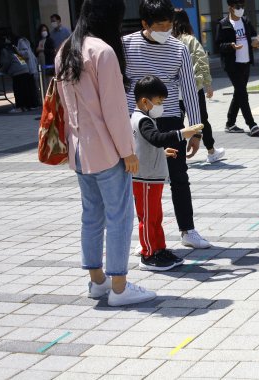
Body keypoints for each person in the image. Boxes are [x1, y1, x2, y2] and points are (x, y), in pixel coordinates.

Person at [55, 0, 156, 306]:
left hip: (79, 152)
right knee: (119, 217)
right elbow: (114, 111)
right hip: (108, 151)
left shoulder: (65, 50)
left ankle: (97, 281)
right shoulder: (103, 52)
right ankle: (120, 287)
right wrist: (128, 151)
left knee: (92, 216)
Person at [123, 0, 211, 249]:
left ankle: (188, 230)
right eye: (160, 26)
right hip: (138, 121)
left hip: (171, 118)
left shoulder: (179, 48)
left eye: (169, 25)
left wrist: (196, 130)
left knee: (178, 176)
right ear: (144, 24)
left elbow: (190, 90)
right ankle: (145, 234)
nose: (166, 30)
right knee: (140, 179)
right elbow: (119, 86)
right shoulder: (126, 46)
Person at [132, 76, 200, 271]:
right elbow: (156, 138)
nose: (160, 106)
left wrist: (161, 153)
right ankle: (148, 254)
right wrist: (181, 133)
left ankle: (159, 249)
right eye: (159, 102)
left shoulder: (146, 118)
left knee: (155, 216)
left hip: (151, 178)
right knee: (147, 218)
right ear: (145, 101)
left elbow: (145, 145)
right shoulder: (143, 120)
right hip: (144, 179)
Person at [172, 8, 225, 164]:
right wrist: (208, 84)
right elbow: (202, 61)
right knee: (202, 120)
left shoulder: (168, 41)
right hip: (193, 87)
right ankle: (211, 151)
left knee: (176, 123)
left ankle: (176, 156)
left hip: (174, 90)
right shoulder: (190, 40)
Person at [215, 0, 259, 137]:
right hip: (232, 64)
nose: (241, 9)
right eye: (238, 7)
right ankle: (252, 124)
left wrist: (255, 42)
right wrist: (230, 46)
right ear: (230, 8)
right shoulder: (223, 24)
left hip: (245, 62)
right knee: (243, 94)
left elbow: (253, 35)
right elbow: (218, 46)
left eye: (242, 6)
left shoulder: (246, 21)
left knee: (239, 93)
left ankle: (230, 123)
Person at [0, 37, 39, 112]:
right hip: (25, 70)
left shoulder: (6, 51)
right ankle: (27, 106)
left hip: (18, 73)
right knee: (25, 90)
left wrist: (2, 70)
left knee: (18, 91)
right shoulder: (16, 52)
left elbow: (6, 63)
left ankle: (20, 108)